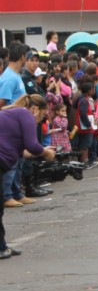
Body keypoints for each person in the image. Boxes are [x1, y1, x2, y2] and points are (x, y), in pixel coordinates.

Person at [0, 94, 56, 257]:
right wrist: (44, 152)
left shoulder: (14, 114)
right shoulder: (25, 114)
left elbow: (24, 151)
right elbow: (32, 145)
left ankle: (3, 246)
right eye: (43, 115)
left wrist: (43, 152)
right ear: (35, 109)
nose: (40, 121)